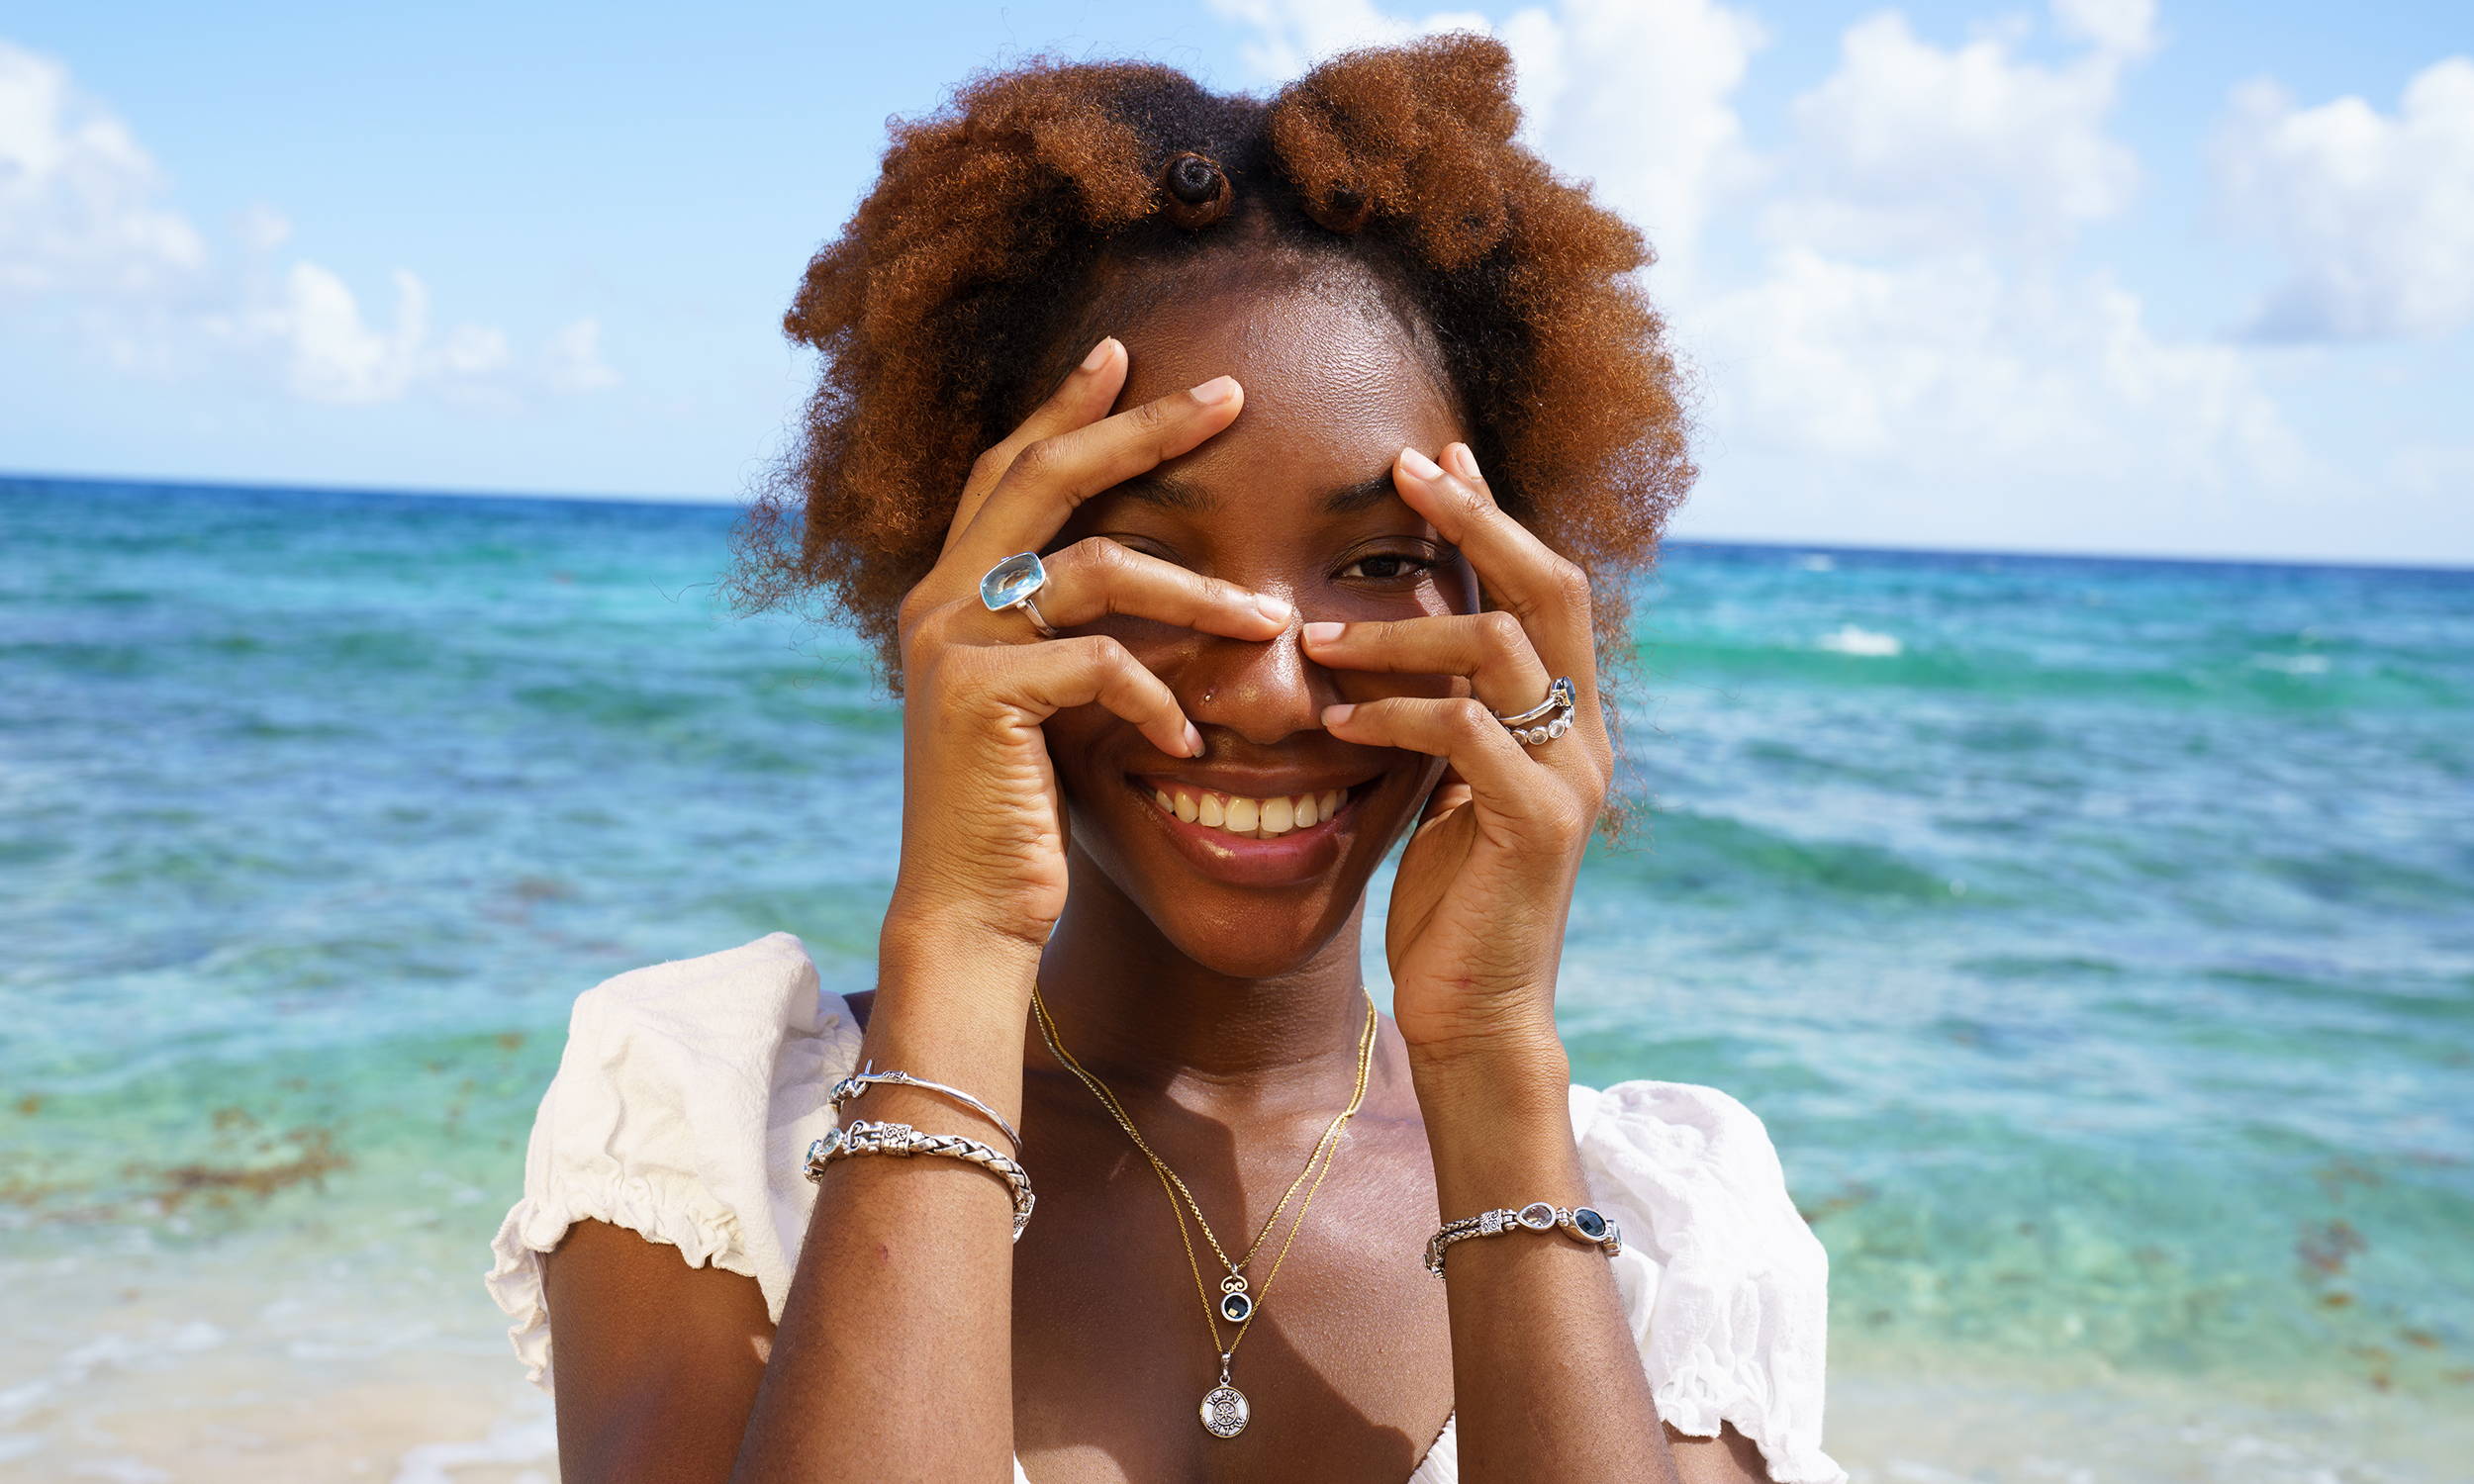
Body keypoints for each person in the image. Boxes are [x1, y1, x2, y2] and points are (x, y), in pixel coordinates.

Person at [485, 34, 1844, 1484]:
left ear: (1513, 609)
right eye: (1143, 560)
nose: (1266, 686)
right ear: (969, 585)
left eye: (1382, 560)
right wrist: (956, 941)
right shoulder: (707, 1123)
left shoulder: (1677, 1229)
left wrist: (1495, 1060)